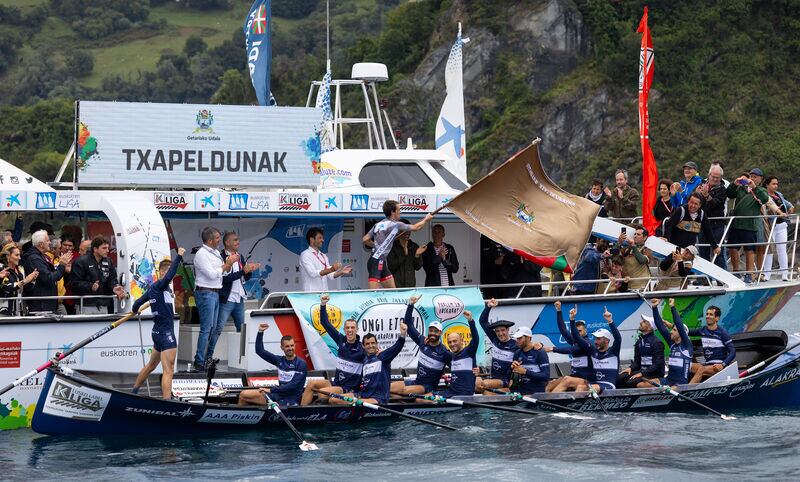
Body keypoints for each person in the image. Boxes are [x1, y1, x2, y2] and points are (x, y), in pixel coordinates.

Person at [130, 248, 184, 399]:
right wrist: (179, 256)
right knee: (169, 370)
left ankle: (134, 391)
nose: (171, 277)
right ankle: (167, 401)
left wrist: (135, 310)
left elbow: (138, 303)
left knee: (151, 366)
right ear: (162, 273)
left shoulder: (155, 288)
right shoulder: (160, 285)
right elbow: (170, 274)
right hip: (166, 333)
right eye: (167, 273)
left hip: (157, 333)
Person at [300, 294, 366, 405]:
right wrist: (323, 304)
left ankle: (313, 413)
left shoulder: (362, 349)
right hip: (335, 383)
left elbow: (375, 359)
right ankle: (299, 412)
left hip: (347, 389)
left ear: (357, 330)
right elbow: (324, 323)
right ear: (344, 329)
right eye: (347, 328)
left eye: (352, 328)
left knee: (323, 393)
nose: (350, 330)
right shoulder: (340, 339)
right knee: (311, 384)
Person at [192, 226, 239, 371]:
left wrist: (228, 264)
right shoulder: (201, 254)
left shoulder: (216, 253)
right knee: (206, 329)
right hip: (205, 293)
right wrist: (226, 265)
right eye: (218, 238)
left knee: (212, 329)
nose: (220, 240)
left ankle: (206, 359)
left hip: (215, 292)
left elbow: (223, 274)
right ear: (210, 240)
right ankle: (199, 361)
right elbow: (212, 275)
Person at [726, 169, 784, 283]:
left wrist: (754, 188)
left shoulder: (761, 190)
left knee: (750, 249)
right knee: (732, 248)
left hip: (750, 224)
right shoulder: (741, 188)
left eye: (755, 177)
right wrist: (734, 184)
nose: (752, 178)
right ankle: (736, 271)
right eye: (751, 176)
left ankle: (749, 273)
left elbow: (764, 199)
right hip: (736, 223)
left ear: (760, 179)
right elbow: (729, 194)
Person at [326, 326, 406, 406]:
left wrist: (402, 335)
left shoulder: (382, 357)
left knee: (348, 402)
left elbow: (397, 347)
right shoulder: (364, 361)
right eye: (367, 344)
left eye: (373, 343)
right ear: (363, 347)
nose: (370, 346)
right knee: (333, 400)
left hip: (377, 398)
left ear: (377, 344)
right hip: (363, 394)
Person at [362, 200, 432, 289]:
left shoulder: (378, 224)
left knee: (393, 292)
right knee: (374, 294)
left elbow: (365, 240)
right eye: (399, 209)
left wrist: (377, 246)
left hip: (380, 261)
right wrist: (426, 219)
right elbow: (416, 227)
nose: (400, 212)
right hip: (376, 262)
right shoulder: (395, 225)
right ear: (392, 212)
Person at [390, 295, 451, 395]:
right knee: (388, 387)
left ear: (440, 333)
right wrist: (411, 305)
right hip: (415, 382)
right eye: (431, 330)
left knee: (403, 391)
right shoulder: (423, 341)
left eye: (436, 331)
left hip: (427, 388)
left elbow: (457, 366)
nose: (432, 333)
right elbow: (408, 324)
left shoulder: (444, 352)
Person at [238, 322, 308, 406]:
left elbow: (292, 385)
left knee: (246, 397)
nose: (290, 348)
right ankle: (242, 417)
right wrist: (260, 332)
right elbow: (260, 351)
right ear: (282, 348)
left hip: (291, 399)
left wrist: (271, 390)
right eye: (287, 346)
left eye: (292, 346)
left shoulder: (301, 364)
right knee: (243, 395)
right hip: (277, 395)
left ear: (295, 346)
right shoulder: (279, 360)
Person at [217, 232, 259, 335]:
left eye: (238, 240)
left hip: (239, 298)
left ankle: (242, 351)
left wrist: (249, 270)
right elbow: (224, 279)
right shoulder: (221, 257)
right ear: (227, 242)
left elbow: (244, 277)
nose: (238, 242)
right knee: (218, 328)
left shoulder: (240, 257)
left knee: (242, 329)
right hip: (226, 299)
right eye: (235, 240)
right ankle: (209, 351)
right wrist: (243, 271)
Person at [21, 230, 72, 313]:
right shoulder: (35, 259)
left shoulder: (41, 257)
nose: (50, 243)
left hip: (47, 304)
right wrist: (62, 265)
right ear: (41, 244)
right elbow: (49, 278)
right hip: (42, 306)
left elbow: (52, 275)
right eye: (47, 240)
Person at [71, 236, 126, 314]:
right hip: (86, 304)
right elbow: (75, 283)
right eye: (104, 248)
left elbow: (112, 280)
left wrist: (114, 288)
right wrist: (90, 286)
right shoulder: (81, 261)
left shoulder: (108, 261)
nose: (107, 251)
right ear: (95, 249)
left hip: (104, 304)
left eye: (108, 248)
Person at [571, 306, 621, 391]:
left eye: (598, 338)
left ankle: (576, 404)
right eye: (595, 338)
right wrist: (572, 319)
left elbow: (618, 338)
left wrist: (610, 321)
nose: (595, 341)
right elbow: (577, 337)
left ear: (606, 340)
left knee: (581, 387)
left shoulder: (613, 352)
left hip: (608, 385)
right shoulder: (593, 351)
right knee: (565, 381)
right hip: (594, 383)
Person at [546, 302, 592, 392]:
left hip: (586, 380)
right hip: (574, 377)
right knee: (550, 384)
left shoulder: (587, 343)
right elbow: (563, 330)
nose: (578, 333)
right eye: (576, 331)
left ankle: (551, 402)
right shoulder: (574, 341)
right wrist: (559, 311)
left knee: (566, 379)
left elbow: (573, 349)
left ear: (585, 331)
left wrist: (553, 349)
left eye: (580, 331)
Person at [475, 298, 517, 393]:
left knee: (481, 384)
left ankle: (504, 391)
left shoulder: (515, 345)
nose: (500, 333)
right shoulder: (494, 339)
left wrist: (539, 344)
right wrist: (488, 307)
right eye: (497, 331)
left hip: (505, 381)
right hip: (492, 378)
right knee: (477, 385)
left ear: (508, 330)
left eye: (503, 330)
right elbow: (482, 321)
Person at [650, 298, 693, 387]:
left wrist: (672, 307)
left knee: (668, 389)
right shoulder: (672, 343)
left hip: (680, 384)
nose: (671, 332)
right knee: (642, 385)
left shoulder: (687, 346)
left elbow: (679, 325)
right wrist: (654, 308)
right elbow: (660, 326)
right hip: (668, 380)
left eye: (674, 330)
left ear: (681, 333)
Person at [437, 309, 480, 397]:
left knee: (422, 400)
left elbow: (475, 339)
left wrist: (470, 321)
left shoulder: (469, 352)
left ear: (462, 341)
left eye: (455, 341)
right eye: (449, 342)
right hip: (451, 393)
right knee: (425, 396)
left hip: (463, 396)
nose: (452, 344)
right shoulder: (451, 356)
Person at [688, 306, 735, 383]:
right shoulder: (702, 330)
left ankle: (686, 392)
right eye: (707, 314)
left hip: (718, 367)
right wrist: (672, 325)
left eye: (711, 314)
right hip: (707, 365)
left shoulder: (723, 333)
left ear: (717, 318)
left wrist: (722, 365)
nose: (707, 316)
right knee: (686, 365)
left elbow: (733, 352)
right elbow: (686, 331)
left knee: (701, 370)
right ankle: (676, 387)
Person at [617, 312, 664, 388]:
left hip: (654, 373)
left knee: (630, 382)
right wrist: (630, 368)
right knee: (621, 377)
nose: (640, 322)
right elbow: (637, 362)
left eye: (644, 321)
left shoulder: (657, 342)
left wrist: (642, 373)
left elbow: (657, 364)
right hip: (643, 371)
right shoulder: (639, 342)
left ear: (650, 327)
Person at [696, 164, 729, 271]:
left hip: (717, 225)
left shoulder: (723, 189)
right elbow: (693, 202)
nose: (715, 179)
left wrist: (706, 195)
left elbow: (716, 204)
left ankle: (722, 279)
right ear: (709, 175)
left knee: (718, 252)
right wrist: (696, 194)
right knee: (703, 252)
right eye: (713, 176)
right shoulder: (701, 185)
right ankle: (704, 278)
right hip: (703, 224)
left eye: (717, 177)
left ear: (721, 178)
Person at [762, 176, 794, 281]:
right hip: (770, 226)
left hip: (781, 225)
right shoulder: (764, 195)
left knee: (782, 250)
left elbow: (787, 204)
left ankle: (784, 274)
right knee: (769, 250)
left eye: (777, 184)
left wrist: (790, 208)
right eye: (773, 184)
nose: (776, 186)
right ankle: (767, 275)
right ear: (767, 184)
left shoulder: (778, 194)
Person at [299, 227, 350, 292]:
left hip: (324, 294)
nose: (322, 240)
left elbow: (331, 275)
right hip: (310, 293)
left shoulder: (323, 256)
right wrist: (331, 269)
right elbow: (312, 273)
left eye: (322, 238)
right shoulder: (305, 254)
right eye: (320, 238)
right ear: (312, 239)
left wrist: (342, 272)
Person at [511, 326, 550, 394]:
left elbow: (545, 376)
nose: (517, 341)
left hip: (536, 393)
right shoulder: (517, 353)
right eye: (517, 338)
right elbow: (512, 377)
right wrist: (512, 369)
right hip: (520, 392)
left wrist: (525, 372)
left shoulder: (540, 352)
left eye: (520, 338)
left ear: (528, 338)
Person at [0, 246, 38, 316]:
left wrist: (32, 280)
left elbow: (26, 290)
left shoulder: (20, 269)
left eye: (20, 255)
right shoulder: (2, 270)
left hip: (20, 311)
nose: (19, 258)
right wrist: (25, 280)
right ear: (8, 256)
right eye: (16, 255)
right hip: (6, 312)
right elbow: (7, 288)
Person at [386, 223, 425, 288]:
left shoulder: (414, 246)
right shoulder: (392, 247)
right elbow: (391, 266)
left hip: (411, 286)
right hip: (396, 286)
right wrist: (404, 253)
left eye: (409, 230)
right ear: (399, 231)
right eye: (405, 230)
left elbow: (418, 267)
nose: (408, 233)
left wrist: (417, 255)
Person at [618, 224, 651, 290]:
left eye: (638, 234)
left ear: (644, 237)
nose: (635, 236)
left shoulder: (647, 249)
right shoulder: (628, 247)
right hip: (627, 283)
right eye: (635, 234)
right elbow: (617, 258)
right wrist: (619, 243)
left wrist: (633, 246)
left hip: (640, 286)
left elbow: (642, 260)